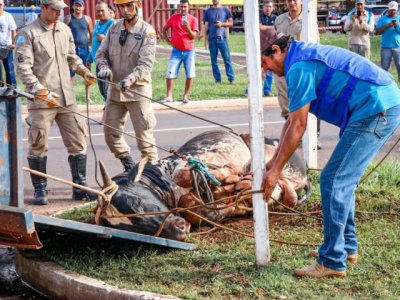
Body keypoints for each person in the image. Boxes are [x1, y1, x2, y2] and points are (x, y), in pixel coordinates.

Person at [261, 34, 400, 278]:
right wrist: (273, 164)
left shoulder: (298, 66)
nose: (267, 71)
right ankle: (346, 248)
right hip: (377, 105)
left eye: (265, 63)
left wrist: (274, 172)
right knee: (341, 182)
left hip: (376, 108)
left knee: (334, 180)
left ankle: (333, 261)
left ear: (276, 50)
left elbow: (299, 127)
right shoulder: (300, 59)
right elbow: (291, 121)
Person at [14, 0, 98, 205]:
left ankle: (80, 187)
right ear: (43, 8)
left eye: (62, 9)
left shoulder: (64, 29)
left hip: (66, 98)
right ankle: (40, 190)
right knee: (38, 145)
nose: (60, 13)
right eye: (55, 9)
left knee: (78, 141)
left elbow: (72, 57)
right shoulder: (28, 33)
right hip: (43, 99)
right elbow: (23, 68)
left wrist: (84, 71)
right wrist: (38, 89)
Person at [96, 0, 158, 173]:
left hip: (137, 91)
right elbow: (101, 54)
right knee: (110, 134)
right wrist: (104, 67)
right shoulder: (114, 28)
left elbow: (146, 64)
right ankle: (129, 166)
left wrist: (131, 79)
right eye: (121, 7)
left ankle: (153, 175)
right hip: (115, 91)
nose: (125, 10)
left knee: (145, 140)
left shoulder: (147, 32)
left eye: (128, 5)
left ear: (137, 4)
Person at [274, 0, 322, 149]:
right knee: (285, 101)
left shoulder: (308, 20)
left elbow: (314, 45)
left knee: (308, 102)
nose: (292, 2)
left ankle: (314, 137)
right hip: (283, 67)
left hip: (302, 67)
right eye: (289, 0)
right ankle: (295, 136)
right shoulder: (279, 20)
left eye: (295, 0)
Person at [162, 0, 199, 103]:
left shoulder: (193, 19)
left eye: (185, 7)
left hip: (189, 51)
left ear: (189, 7)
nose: (183, 9)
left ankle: (186, 96)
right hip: (176, 50)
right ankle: (169, 96)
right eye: (181, 7)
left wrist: (187, 27)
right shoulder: (174, 17)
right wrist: (167, 40)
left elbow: (193, 36)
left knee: (190, 74)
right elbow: (164, 28)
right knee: (170, 73)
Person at [86, 1, 115, 102]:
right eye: (98, 11)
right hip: (98, 61)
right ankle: (108, 107)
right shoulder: (97, 23)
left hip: (107, 62)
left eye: (102, 11)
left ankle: (110, 110)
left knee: (107, 89)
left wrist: (104, 38)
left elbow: (116, 43)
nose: (100, 13)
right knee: (102, 88)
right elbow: (94, 44)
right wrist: (90, 58)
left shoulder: (113, 24)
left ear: (108, 11)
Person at [203, 0, 235, 84]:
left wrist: (222, 24)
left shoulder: (225, 9)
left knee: (227, 59)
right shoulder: (207, 11)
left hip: (222, 38)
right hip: (212, 39)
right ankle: (217, 80)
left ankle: (231, 78)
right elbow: (206, 26)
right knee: (214, 61)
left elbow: (231, 23)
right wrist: (205, 39)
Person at [64, 0, 93, 76]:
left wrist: (92, 48)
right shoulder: (68, 18)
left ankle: (87, 88)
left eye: (80, 6)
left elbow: (92, 34)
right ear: (73, 6)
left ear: (83, 7)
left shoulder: (87, 19)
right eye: (76, 5)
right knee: (70, 72)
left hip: (85, 49)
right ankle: (69, 88)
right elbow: (63, 34)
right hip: (72, 50)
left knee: (87, 73)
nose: (77, 7)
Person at [375, 1, 400, 81]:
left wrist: (397, 27)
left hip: (398, 47)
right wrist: (386, 26)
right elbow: (377, 32)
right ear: (388, 9)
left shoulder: (399, 19)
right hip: (386, 47)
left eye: (394, 10)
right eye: (391, 10)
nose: (393, 11)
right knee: (384, 67)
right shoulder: (383, 19)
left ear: (397, 10)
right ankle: (384, 83)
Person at [259, 1, 277, 97]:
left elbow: (278, 29)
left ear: (272, 8)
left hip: (270, 48)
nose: (268, 8)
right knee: (256, 69)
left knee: (269, 69)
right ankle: (249, 89)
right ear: (263, 7)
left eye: (270, 7)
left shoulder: (275, 18)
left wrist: (264, 27)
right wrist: (272, 28)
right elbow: (258, 27)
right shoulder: (258, 16)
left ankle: (267, 90)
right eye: (266, 6)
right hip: (259, 47)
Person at [0, 0, 17, 87]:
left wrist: (13, 43)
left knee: (9, 69)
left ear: (3, 5)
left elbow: (14, 31)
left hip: (6, 47)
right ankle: (0, 89)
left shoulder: (8, 16)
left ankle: (12, 89)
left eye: (0, 4)